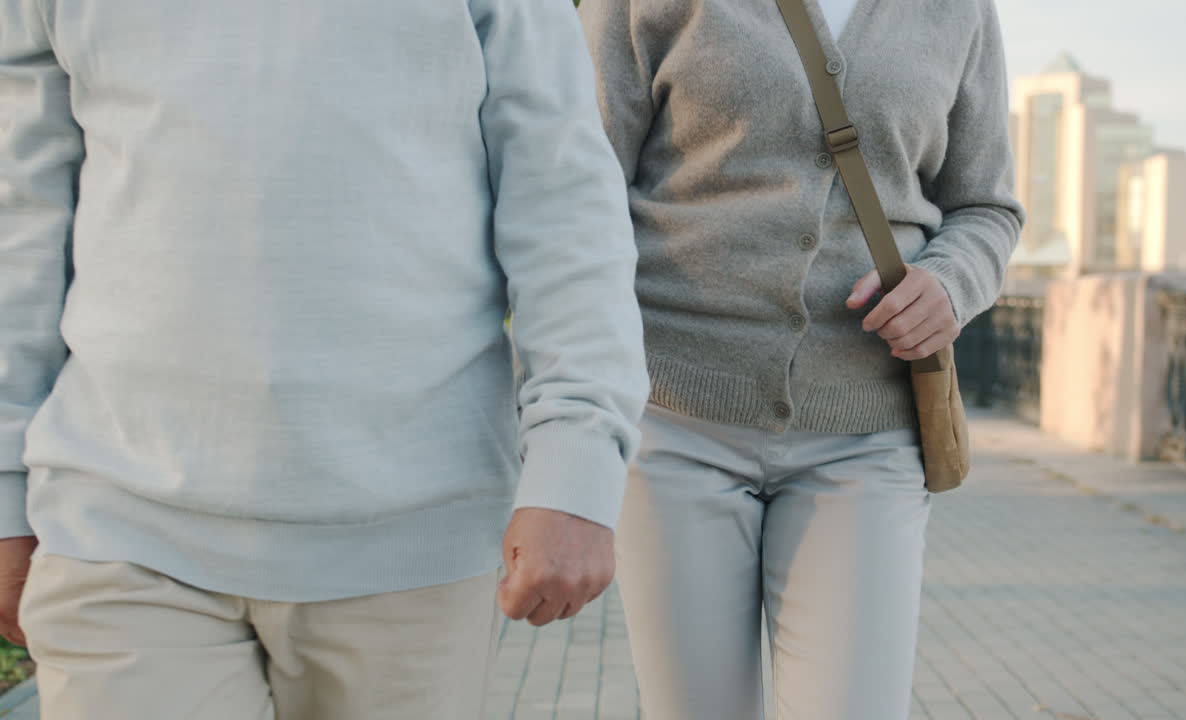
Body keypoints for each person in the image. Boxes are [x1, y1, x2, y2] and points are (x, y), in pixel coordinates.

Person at [0, 1, 648, 717]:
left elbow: (563, 199)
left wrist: (575, 468)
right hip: (119, 524)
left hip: (410, 541)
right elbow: (19, 212)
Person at [579, 0, 1025, 717]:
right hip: (674, 421)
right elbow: (579, 186)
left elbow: (987, 206)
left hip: (866, 434)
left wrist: (950, 282)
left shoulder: (957, 9)